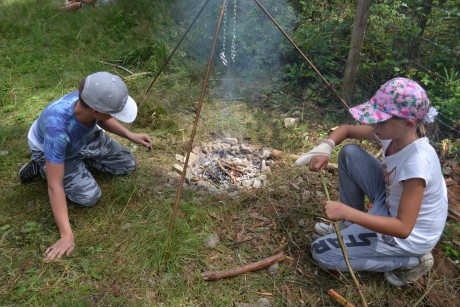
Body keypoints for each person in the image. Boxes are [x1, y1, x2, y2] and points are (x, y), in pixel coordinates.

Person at [295, 77, 448, 286]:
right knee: (349, 153)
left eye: (380, 120)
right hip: (390, 202)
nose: (372, 124)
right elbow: (347, 130)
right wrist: (326, 147)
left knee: (322, 252)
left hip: (408, 237)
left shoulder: (417, 163)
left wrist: (346, 211)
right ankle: (349, 226)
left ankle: (411, 260)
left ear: (408, 124)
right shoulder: (392, 134)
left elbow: (403, 228)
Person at [18, 71, 152, 262]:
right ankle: (40, 168)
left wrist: (130, 135)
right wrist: (66, 236)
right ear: (95, 111)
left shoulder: (90, 101)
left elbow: (103, 119)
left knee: (127, 163)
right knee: (89, 196)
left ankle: (80, 162)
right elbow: (54, 186)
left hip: (83, 139)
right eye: (112, 112)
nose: (114, 116)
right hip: (57, 152)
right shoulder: (57, 129)